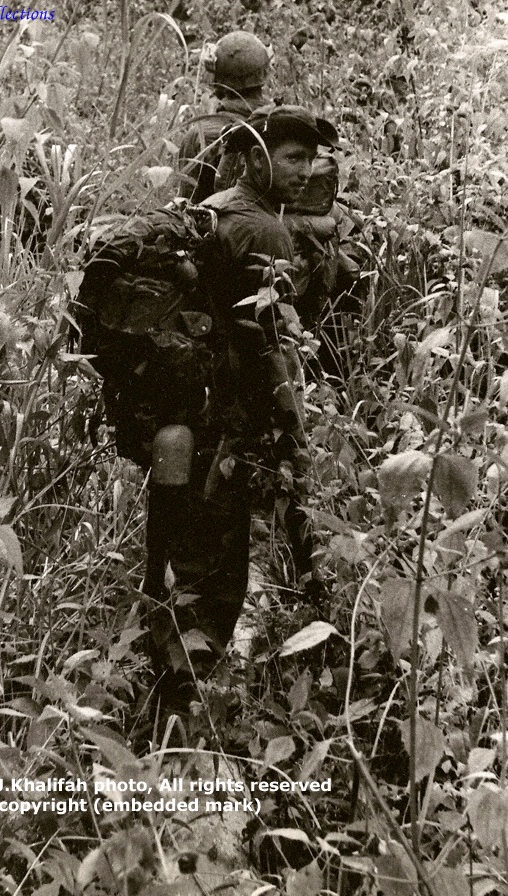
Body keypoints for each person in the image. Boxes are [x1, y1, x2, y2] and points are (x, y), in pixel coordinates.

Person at [144, 105, 340, 714]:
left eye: (311, 158)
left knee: (188, 552)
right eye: (291, 157)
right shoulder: (262, 229)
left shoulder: (220, 205)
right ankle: (181, 704)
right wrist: (296, 428)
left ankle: (165, 678)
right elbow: (269, 342)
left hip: (190, 409)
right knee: (216, 570)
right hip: (224, 422)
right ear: (257, 157)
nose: (305, 170)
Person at [178, 31, 271, 204]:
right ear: (264, 75)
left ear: (218, 79)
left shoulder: (199, 134)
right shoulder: (281, 121)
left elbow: (186, 202)